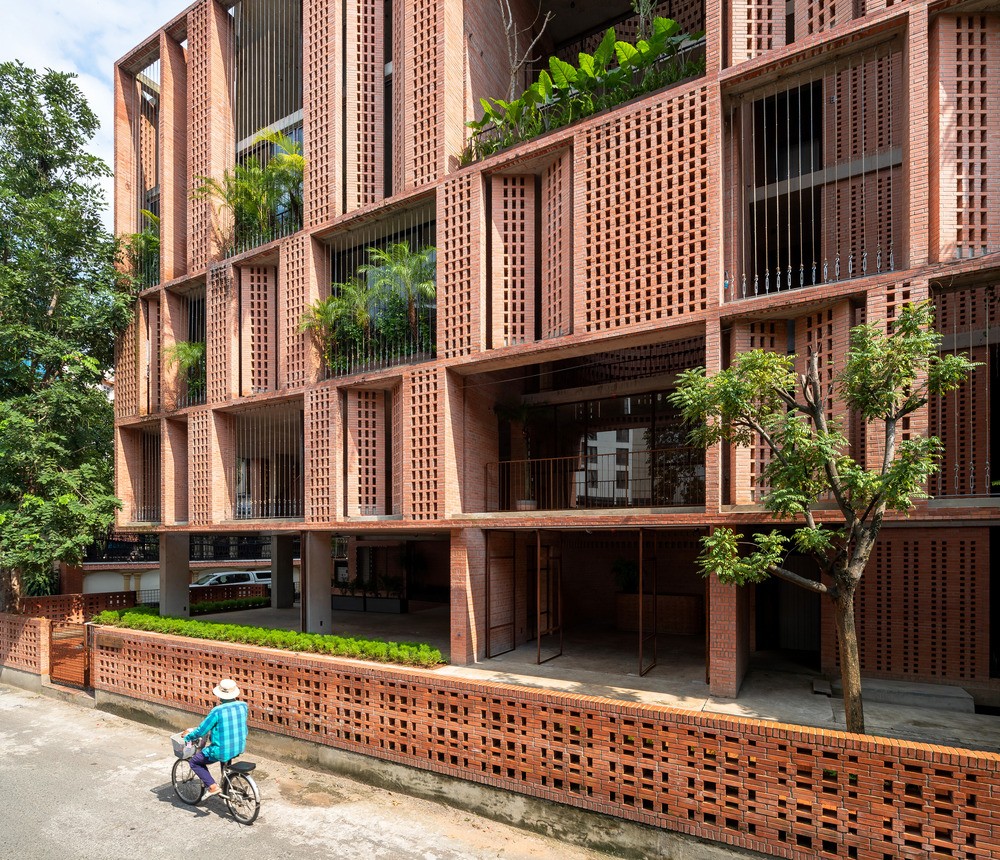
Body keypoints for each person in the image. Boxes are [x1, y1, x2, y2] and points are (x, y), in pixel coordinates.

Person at [184, 678, 249, 797]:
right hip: (238, 746)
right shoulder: (243, 706)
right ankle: (226, 785)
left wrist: (189, 737)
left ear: (220, 695)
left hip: (221, 749)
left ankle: (213, 787)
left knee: (194, 762)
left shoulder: (217, 711)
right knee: (225, 759)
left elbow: (202, 730)